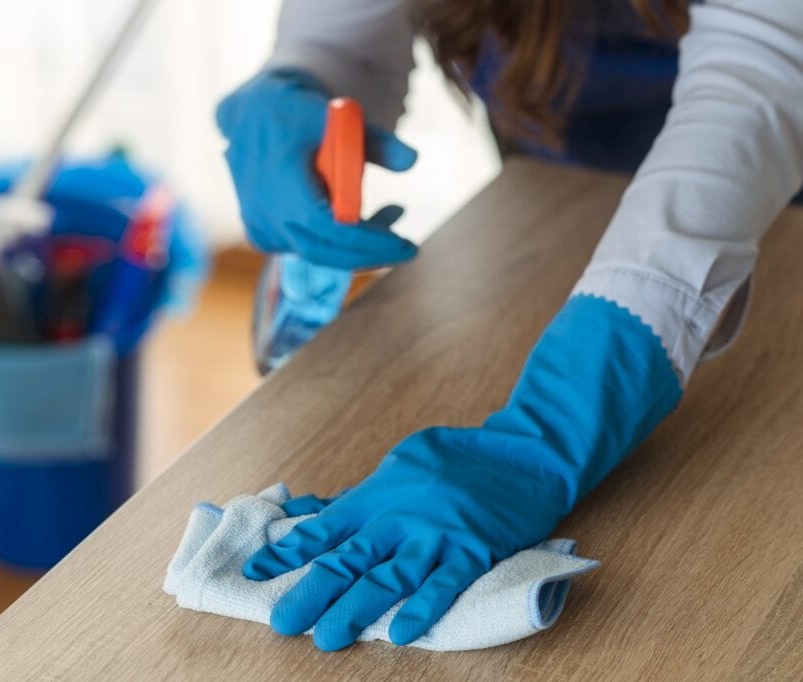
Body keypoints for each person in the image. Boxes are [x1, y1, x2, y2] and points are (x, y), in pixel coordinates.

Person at [215, 0, 803, 652]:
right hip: (553, 216)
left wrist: (550, 424)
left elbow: (756, 73)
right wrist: (307, 76)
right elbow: (347, 41)